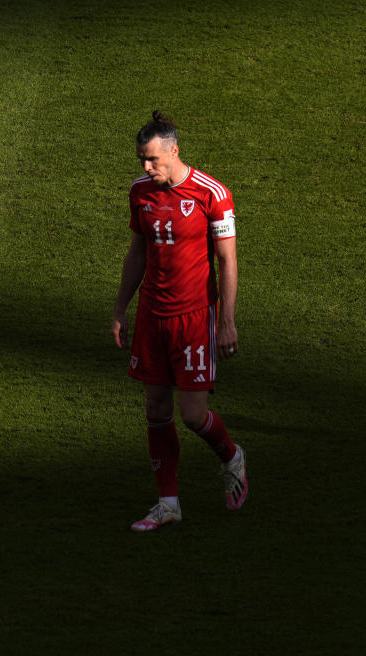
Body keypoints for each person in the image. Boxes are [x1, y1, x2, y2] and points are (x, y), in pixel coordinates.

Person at [111, 111, 248, 531]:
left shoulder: (213, 194)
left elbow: (227, 260)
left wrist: (226, 321)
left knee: (192, 415)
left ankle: (231, 456)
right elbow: (137, 254)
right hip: (153, 314)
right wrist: (120, 309)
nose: (146, 168)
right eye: (141, 161)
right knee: (155, 407)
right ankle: (168, 503)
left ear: (174, 151)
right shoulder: (140, 193)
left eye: (152, 160)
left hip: (193, 317)